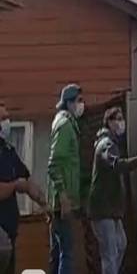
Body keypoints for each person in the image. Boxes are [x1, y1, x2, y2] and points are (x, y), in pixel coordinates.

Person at [88, 107, 137, 274]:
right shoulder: (106, 145)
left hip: (111, 209)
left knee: (121, 244)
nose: (121, 123)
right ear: (109, 122)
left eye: (121, 119)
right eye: (117, 119)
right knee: (110, 252)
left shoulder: (111, 143)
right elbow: (116, 165)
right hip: (102, 209)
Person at [0, 100, 49, 274]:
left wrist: (45, 203)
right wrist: (15, 185)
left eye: (7, 118)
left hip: (9, 230)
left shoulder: (8, 150)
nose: (7, 123)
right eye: (3, 118)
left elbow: (26, 182)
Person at [48, 83, 86, 274]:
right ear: (69, 103)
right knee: (67, 253)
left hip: (57, 201)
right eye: (79, 101)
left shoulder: (65, 123)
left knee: (57, 252)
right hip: (62, 201)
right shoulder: (65, 126)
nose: (82, 105)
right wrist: (63, 196)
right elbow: (54, 164)